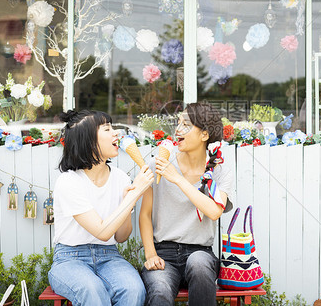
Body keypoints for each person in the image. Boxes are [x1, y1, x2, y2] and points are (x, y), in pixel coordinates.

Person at [48, 110, 153, 306]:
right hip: (70, 259)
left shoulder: (120, 177)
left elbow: (121, 236)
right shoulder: (69, 182)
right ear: (88, 141)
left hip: (109, 256)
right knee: (93, 292)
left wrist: (127, 201)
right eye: (107, 129)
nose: (116, 134)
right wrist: (133, 195)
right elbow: (102, 231)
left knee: (133, 290)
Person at [139, 102, 233, 306]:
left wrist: (178, 179)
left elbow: (215, 211)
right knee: (160, 290)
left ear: (205, 135)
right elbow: (145, 214)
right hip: (163, 252)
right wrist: (150, 254)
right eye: (178, 123)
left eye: (186, 125)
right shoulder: (159, 164)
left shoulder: (218, 170)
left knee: (199, 265)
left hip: (200, 253)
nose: (178, 130)